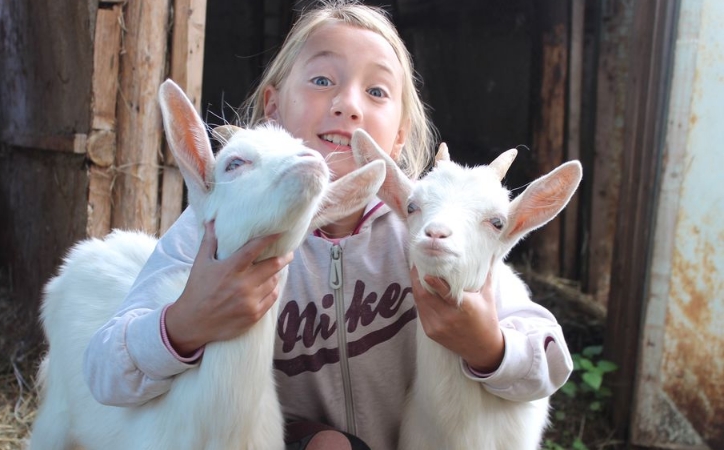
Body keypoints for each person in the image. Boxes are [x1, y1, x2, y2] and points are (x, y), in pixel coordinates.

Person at [83, 1, 573, 449]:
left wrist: (488, 347)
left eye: (376, 91)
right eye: (321, 81)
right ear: (273, 108)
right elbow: (104, 372)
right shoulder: (213, 231)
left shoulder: (426, 232)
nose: (348, 104)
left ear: (399, 137)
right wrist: (185, 324)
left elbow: (551, 362)